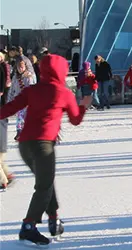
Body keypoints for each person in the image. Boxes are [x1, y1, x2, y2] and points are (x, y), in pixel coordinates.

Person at [0, 54, 92, 246]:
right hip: (43, 145)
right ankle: (28, 226)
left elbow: (10, 108)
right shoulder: (63, 93)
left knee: (46, 182)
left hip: (25, 145)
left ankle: (53, 219)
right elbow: (75, 120)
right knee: (44, 186)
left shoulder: (33, 90)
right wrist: (83, 105)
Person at [8, 60, 36, 141]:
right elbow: (12, 89)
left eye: (22, 67)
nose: (20, 69)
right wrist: (10, 100)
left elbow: (32, 88)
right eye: (19, 67)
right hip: (18, 100)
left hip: (27, 100)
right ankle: (19, 132)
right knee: (19, 117)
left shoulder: (29, 77)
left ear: (25, 67)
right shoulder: (15, 77)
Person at [0, 51, 14, 192]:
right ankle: (7, 176)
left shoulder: (3, 67)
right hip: (2, 142)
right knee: (0, 160)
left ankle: (3, 180)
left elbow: (4, 83)